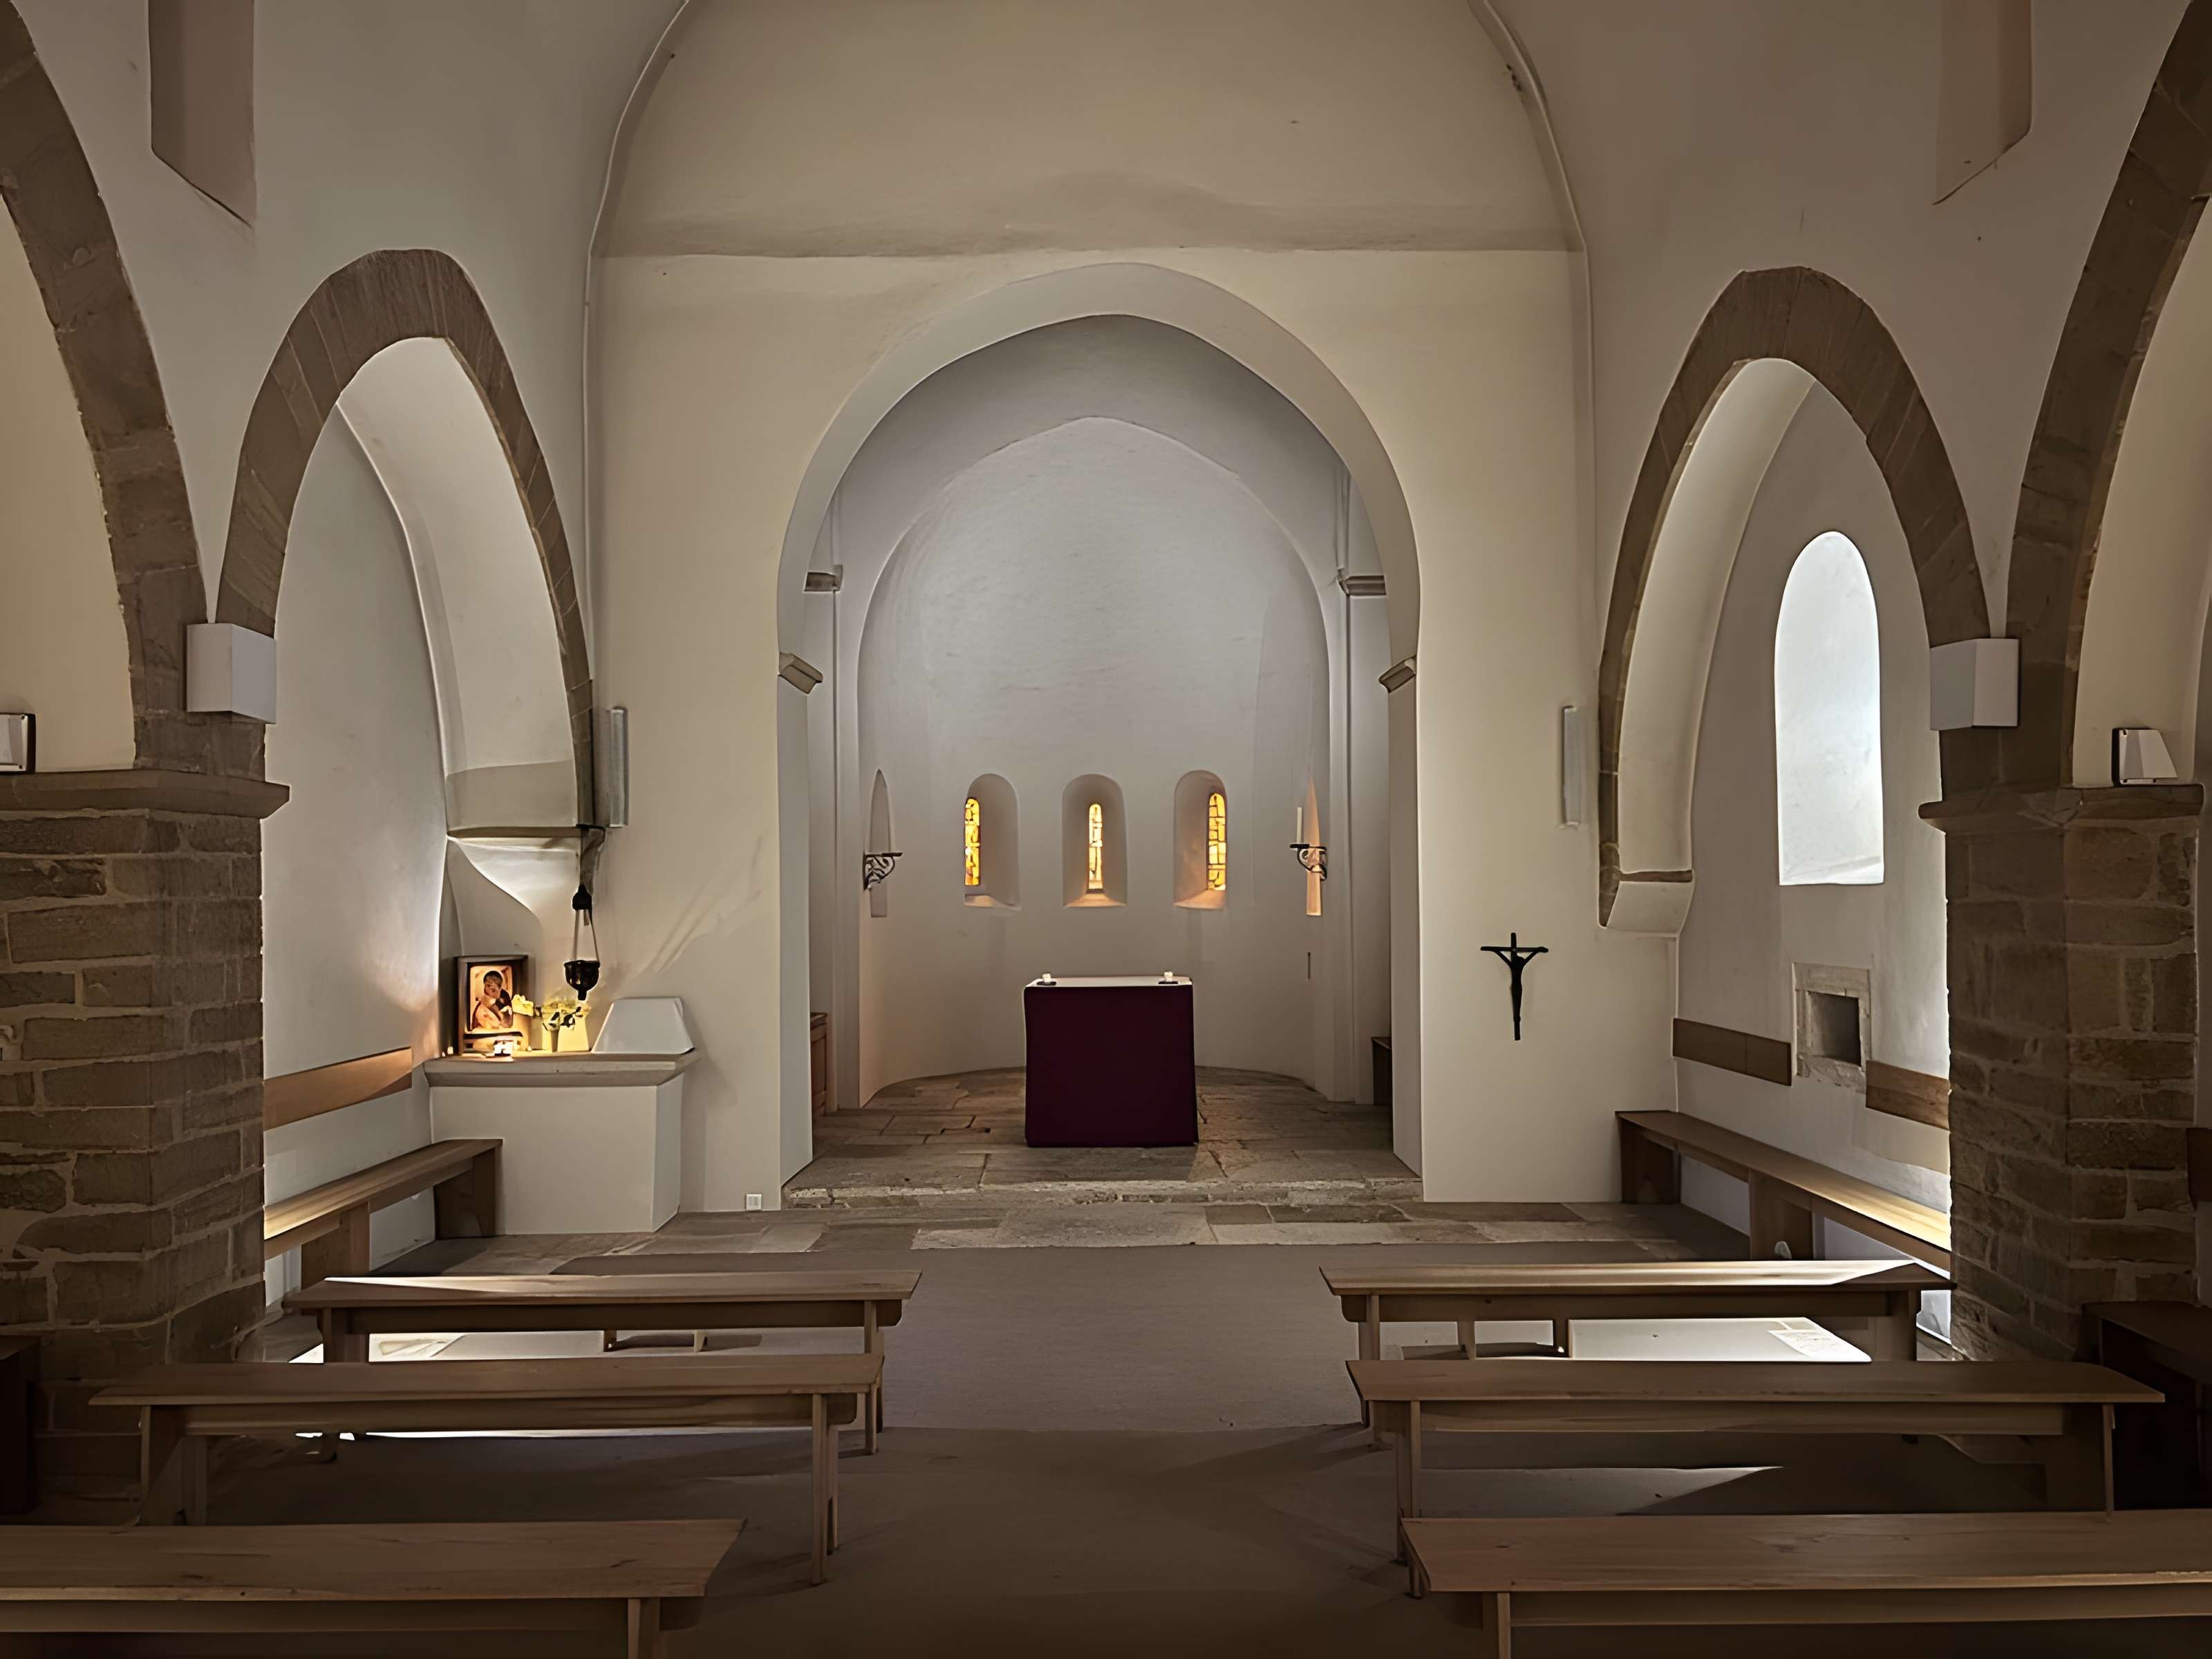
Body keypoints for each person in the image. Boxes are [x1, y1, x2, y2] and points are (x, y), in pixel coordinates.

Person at [471, 967, 515, 1033]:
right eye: (488, 986)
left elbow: (507, 1024)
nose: (490, 989)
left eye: (494, 989)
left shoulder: (504, 997)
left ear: (500, 988)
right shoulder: (481, 1010)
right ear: (485, 986)